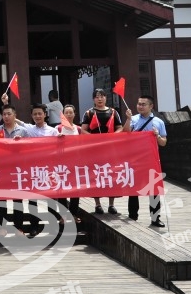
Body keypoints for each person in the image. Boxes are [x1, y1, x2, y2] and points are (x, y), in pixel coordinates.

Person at [13, 103, 63, 236]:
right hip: (33, 169)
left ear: (45, 115)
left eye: (40, 113)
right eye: (35, 114)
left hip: (49, 168)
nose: (37, 116)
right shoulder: (29, 129)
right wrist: (19, 139)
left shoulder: (53, 131)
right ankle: (34, 227)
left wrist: (61, 139)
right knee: (33, 199)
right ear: (31, 115)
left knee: (51, 198)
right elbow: (15, 120)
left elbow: (60, 146)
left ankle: (53, 226)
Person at [81, 88, 132, 216]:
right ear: (93, 99)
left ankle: (111, 204)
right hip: (94, 149)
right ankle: (97, 204)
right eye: (97, 96)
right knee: (95, 175)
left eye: (102, 96)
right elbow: (83, 130)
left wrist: (112, 136)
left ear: (106, 98)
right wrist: (95, 139)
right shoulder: (88, 113)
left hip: (110, 149)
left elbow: (120, 128)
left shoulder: (113, 112)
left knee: (111, 174)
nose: (100, 99)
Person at [130, 94, 168, 227]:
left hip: (151, 159)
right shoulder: (133, 119)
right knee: (133, 188)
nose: (140, 106)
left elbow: (163, 143)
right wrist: (128, 121)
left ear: (151, 106)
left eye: (143, 104)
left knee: (154, 189)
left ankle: (155, 218)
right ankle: (132, 216)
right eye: (139, 104)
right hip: (135, 158)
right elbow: (125, 134)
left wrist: (157, 136)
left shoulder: (159, 122)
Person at [58, 104, 82, 223]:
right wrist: (57, 139)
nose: (68, 114)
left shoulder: (78, 129)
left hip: (75, 163)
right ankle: (63, 215)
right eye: (66, 112)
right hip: (61, 163)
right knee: (61, 190)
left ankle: (73, 214)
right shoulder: (58, 128)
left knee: (75, 190)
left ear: (74, 114)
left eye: (70, 112)